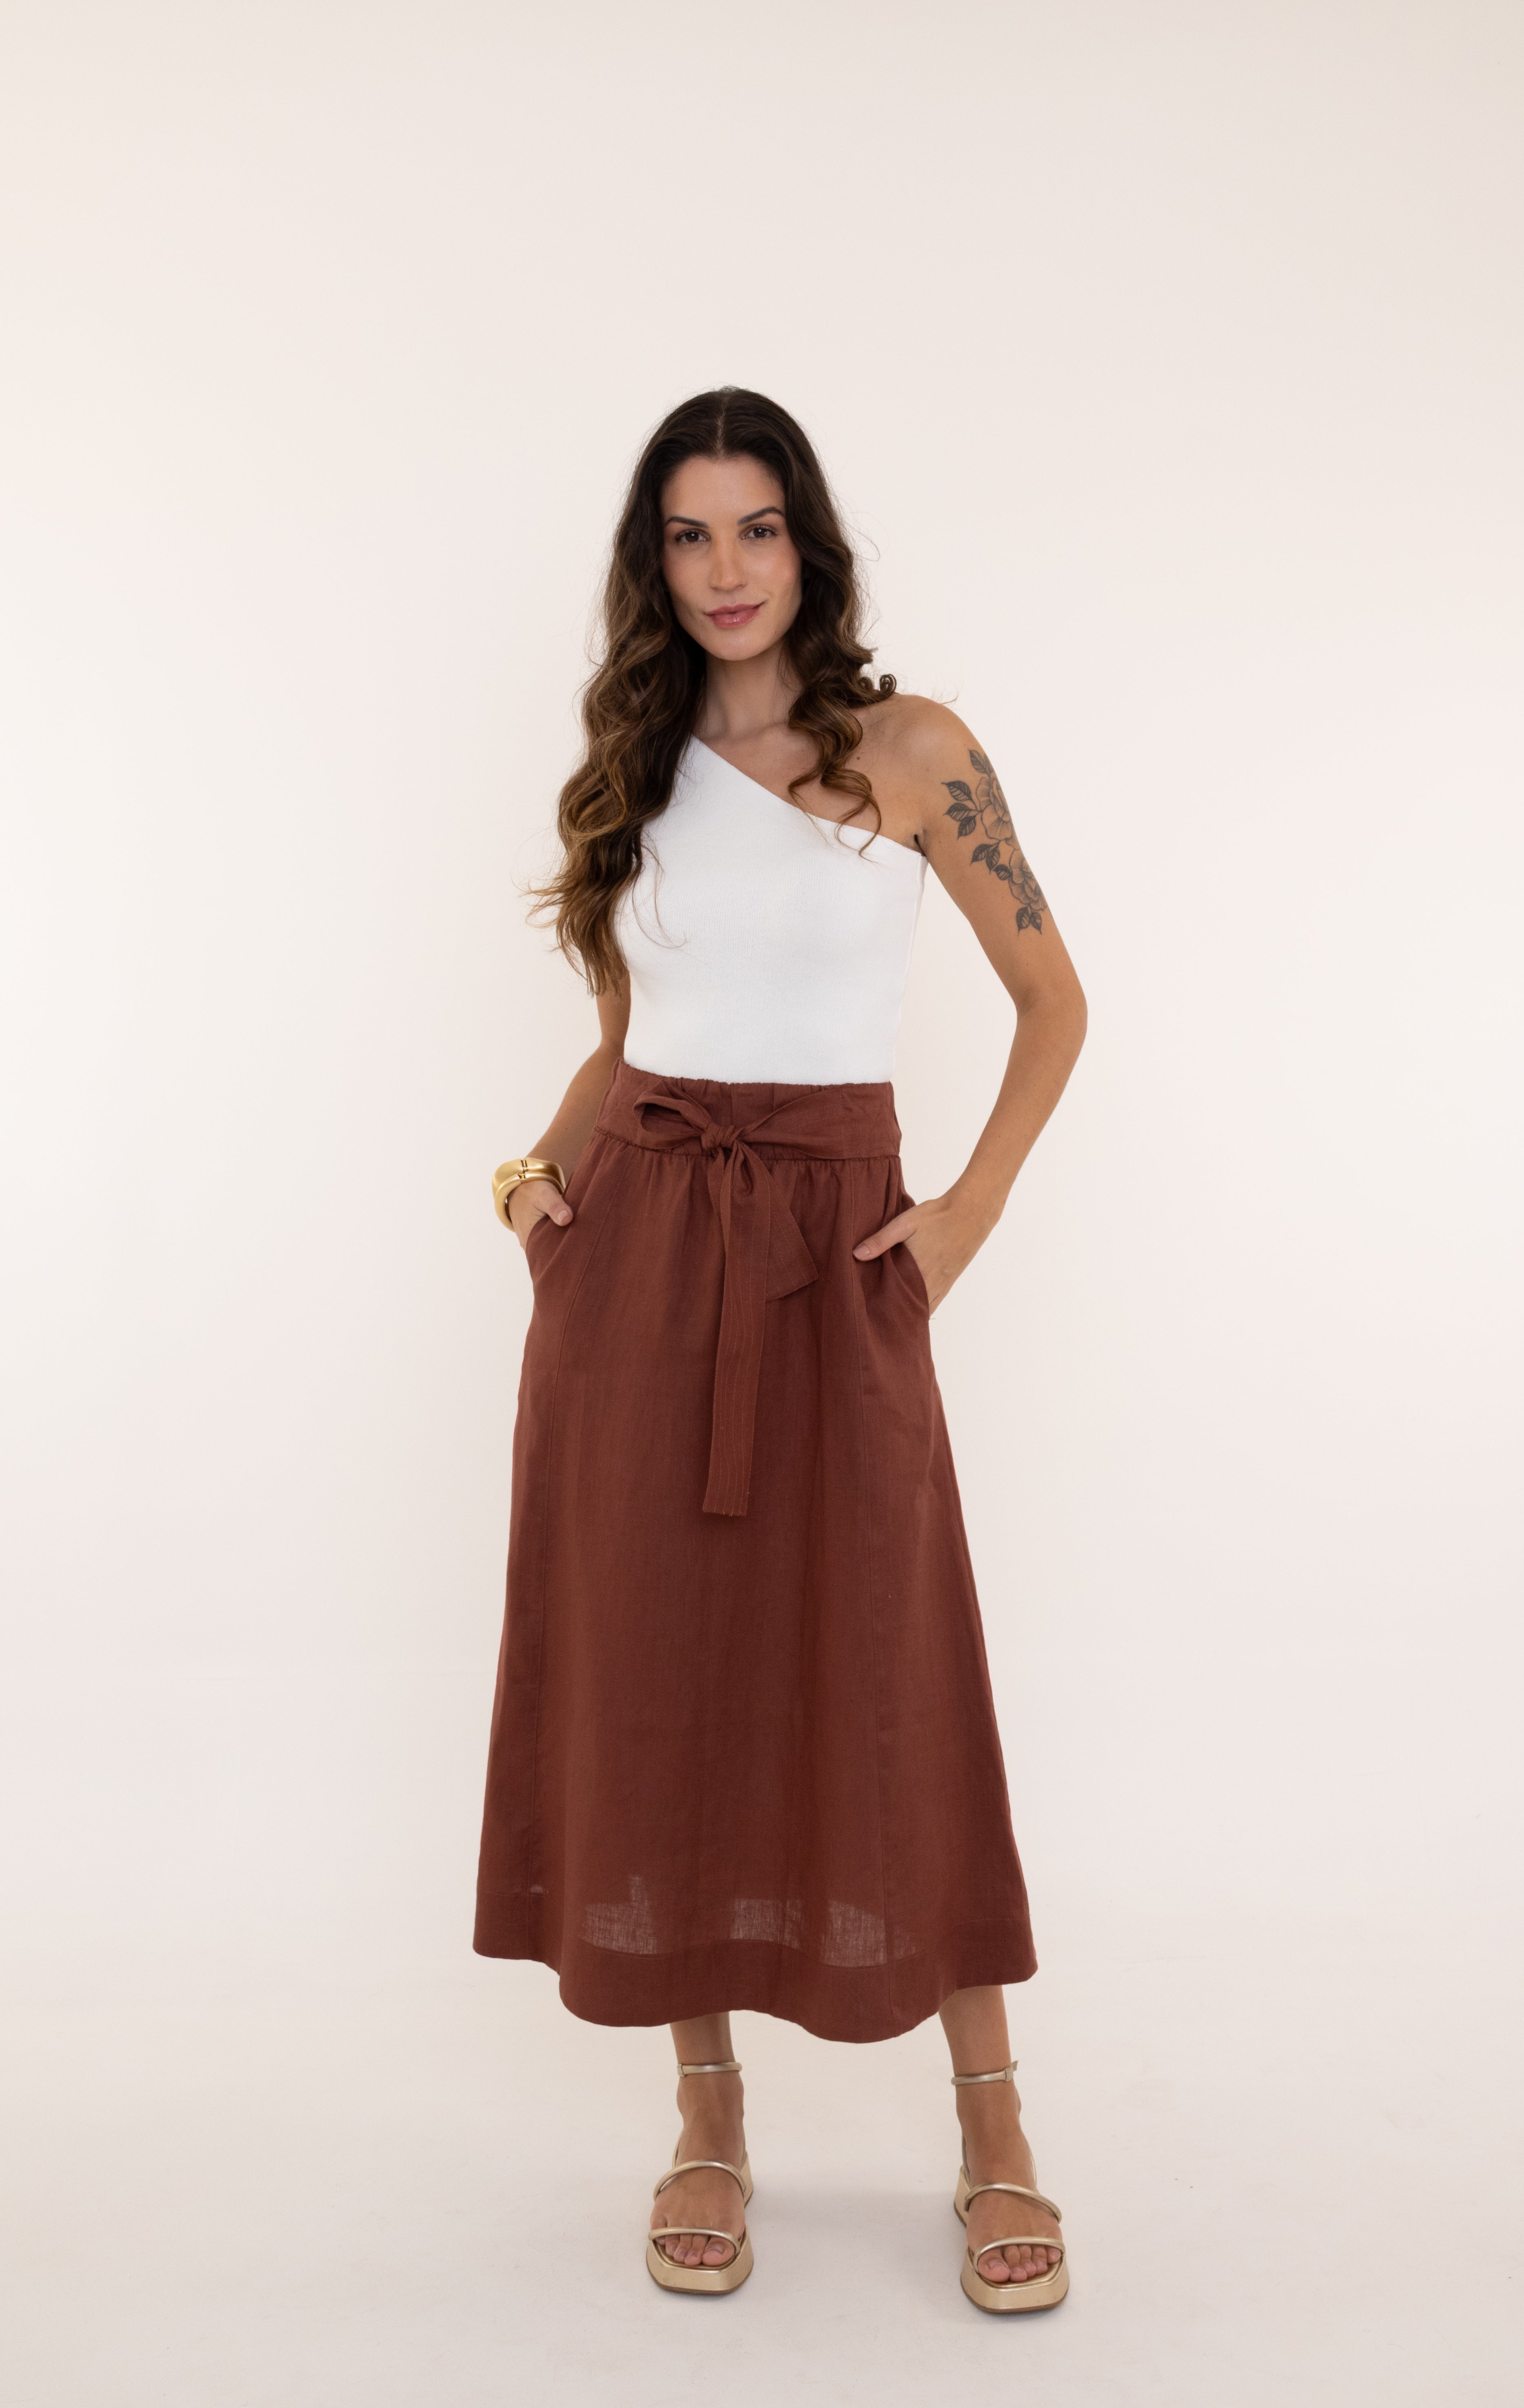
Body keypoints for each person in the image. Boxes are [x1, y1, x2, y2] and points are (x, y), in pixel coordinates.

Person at [477, 388, 1087, 2311]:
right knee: (662, 1669)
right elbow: (632, 1035)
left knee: (889, 1659)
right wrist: (535, 1188)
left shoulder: (912, 752)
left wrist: (966, 1210)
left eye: (755, 528)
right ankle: (708, 2112)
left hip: (836, 1253)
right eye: (688, 534)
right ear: (652, 561)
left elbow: (1053, 1001)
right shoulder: (639, 766)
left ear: (808, 545)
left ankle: (993, 2124)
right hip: (640, 1262)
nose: (724, 569)